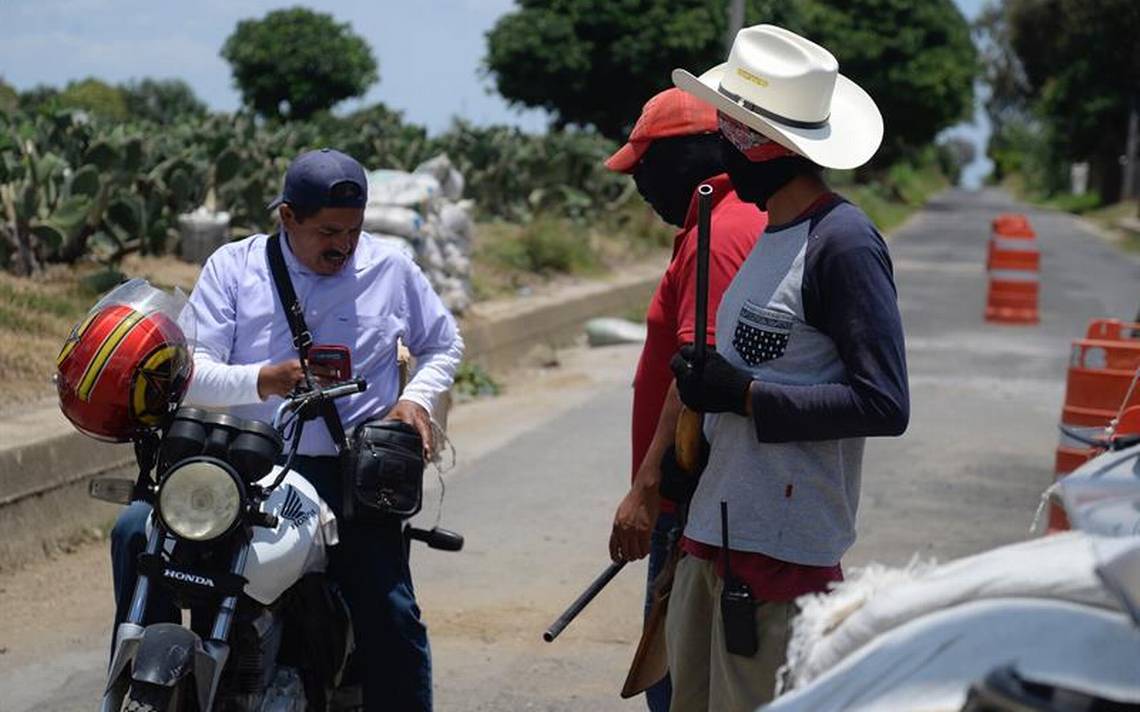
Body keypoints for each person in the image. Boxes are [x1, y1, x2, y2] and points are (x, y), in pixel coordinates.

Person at [109, 148, 463, 711]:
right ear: (287, 217)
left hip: (342, 474)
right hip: (239, 467)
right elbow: (191, 372)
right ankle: (147, 672)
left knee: (391, 613)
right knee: (134, 531)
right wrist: (264, 380)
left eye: (353, 229)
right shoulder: (234, 267)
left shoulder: (392, 268)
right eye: (327, 231)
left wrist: (415, 400)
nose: (343, 245)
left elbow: (443, 344)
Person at [663, 25, 910, 711]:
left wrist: (744, 395)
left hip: (781, 558)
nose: (719, 145)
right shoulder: (771, 235)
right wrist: (707, 399)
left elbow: (883, 403)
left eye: (729, 131)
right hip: (716, 537)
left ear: (763, 145)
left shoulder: (844, 243)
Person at [604, 88, 766, 712]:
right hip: (697, 492)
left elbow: (696, 371)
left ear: (693, 157)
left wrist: (646, 492)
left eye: (645, 167)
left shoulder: (720, 232)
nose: (640, 186)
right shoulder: (727, 221)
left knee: (680, 688)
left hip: (691, 497)